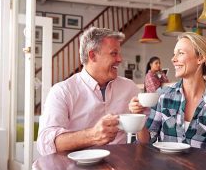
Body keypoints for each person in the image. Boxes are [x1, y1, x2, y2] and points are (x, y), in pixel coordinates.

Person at [37, 27, 139, 155]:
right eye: (114, 53)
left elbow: (143, 137)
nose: (120, 59)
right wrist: (92, 135)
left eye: (119, 53)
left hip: (122, 168)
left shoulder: (129, 88)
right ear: (92, 55)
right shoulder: (62, 91)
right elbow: (45, 143)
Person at [129, 32, 206, 154]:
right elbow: (146, 142)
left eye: (181, 53)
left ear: (200, 58)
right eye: (174, 54)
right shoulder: (164, 96)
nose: (173, 59)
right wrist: (139, 117)